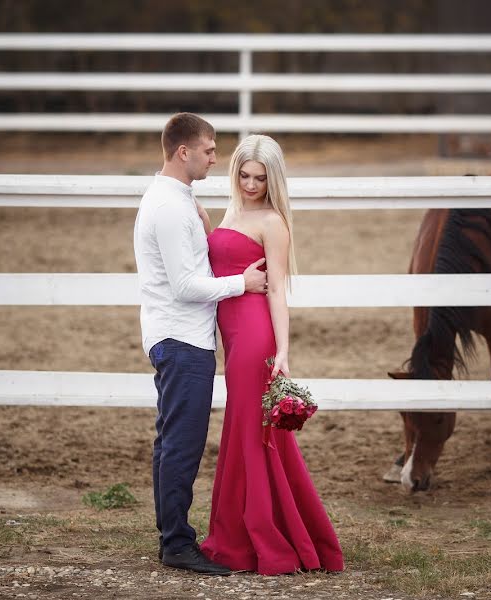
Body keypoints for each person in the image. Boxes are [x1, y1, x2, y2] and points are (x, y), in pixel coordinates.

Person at [200, 134, 345, 575]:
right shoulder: (233, 210)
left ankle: (258, 539)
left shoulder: (273, 221)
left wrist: (282, 349)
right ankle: (254, 532)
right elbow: (224, 261)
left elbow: (278, 288)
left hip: (255, 338)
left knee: (251, 434)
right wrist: (204, 223)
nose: (249, 183)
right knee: (248, 432)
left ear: (272, 179)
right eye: (243, 174)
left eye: (259, 178)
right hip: (232, 334)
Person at [134, 113, 269, 576]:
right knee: (182, 444)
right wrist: (242, 283)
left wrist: (207, 230)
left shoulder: (178, 199)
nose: (216, 158)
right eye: (209, 150)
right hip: (181, 337)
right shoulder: (170, 207)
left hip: (182, 336)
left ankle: (173, 536)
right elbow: (186, 285)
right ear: (183, 152)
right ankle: (176, 543)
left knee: (174, 440)